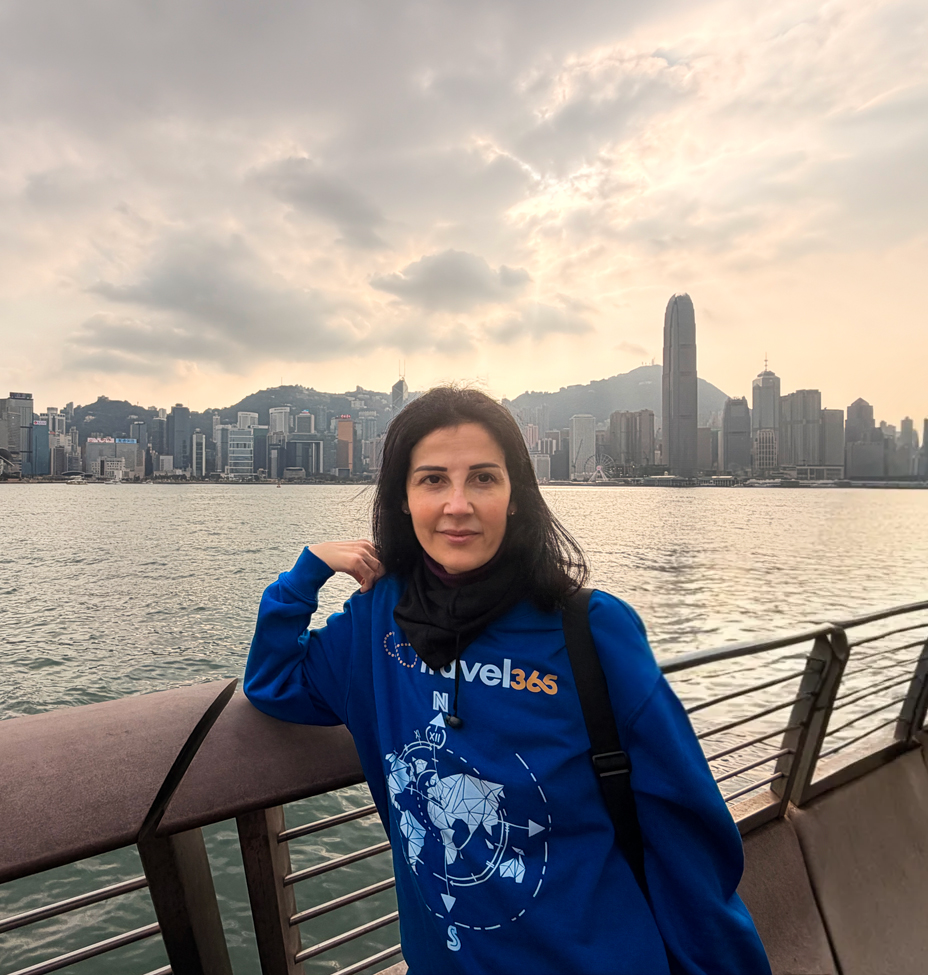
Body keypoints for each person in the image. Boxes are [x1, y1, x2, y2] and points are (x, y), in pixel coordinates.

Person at [244, 387, 770, 975]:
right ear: (402, 500)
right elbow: (274, 681)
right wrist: (307, 572)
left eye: (484, 479)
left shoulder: (591, 630)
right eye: (433, 480)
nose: (458, 505)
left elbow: (686, 834)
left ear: (516, 495)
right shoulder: (376, 623)